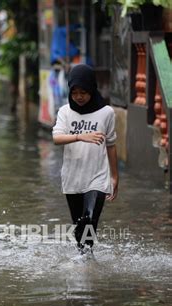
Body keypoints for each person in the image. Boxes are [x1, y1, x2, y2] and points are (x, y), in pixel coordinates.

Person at [52, 64, 118, 254]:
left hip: (97, 177)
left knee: (89, 218)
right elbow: (57, 138)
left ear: (92, 89)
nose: (79, 97)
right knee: (80, 226)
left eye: (84, 92)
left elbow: (111, 145)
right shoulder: (65, 111)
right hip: (72, 178)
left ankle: (86, 262)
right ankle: (85, 260)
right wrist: (81, 136)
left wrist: (114, 177)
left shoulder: (106, 112)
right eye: (75, 92)